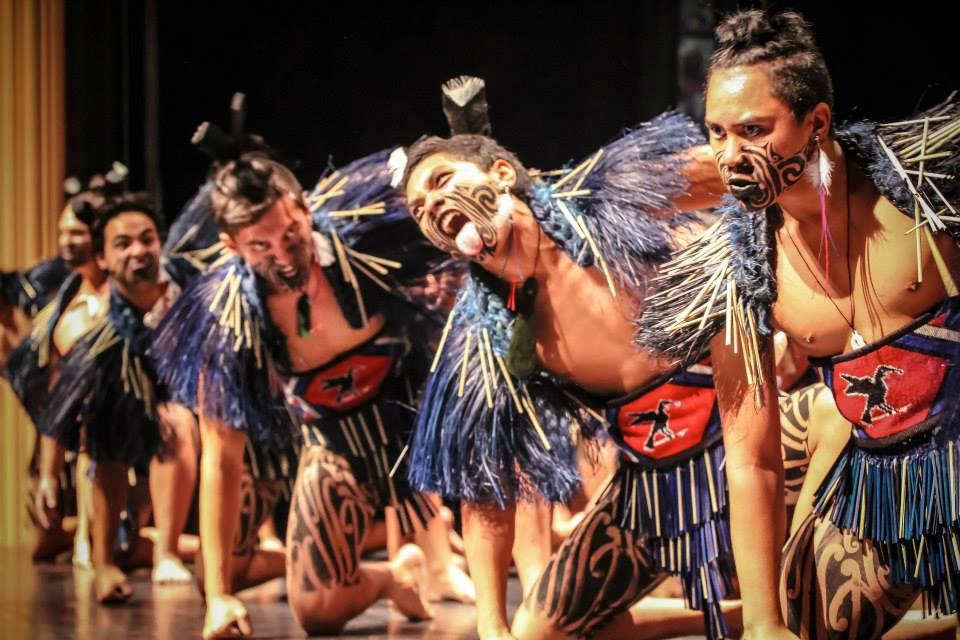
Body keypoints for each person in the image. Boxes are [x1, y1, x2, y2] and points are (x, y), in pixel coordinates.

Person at [638, 9, 960, 638]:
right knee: (810, 623)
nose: (730, 157)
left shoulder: (923, 199)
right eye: (717, 133)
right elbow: (751, 456)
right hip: (881, 465)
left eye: (754, 130)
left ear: (817, 123)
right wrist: (760, 622)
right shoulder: (740, 267)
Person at [399, 98, 754, 638]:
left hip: (746, 434)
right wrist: (493, 628)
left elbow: (740, 170)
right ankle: (731, 617)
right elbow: (486, 495)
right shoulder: (481, 338)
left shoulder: (608, 193)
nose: (433, 205)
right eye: (421, 209)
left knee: (822, 601)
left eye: (442, 180)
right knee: (539, 632)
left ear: (501, 175)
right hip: (651, 477)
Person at [152, 150, 467, 639]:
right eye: (261, 246)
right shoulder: (228, 319)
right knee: (318, 611)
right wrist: (220, 597)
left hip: (412, 414)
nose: (282, 254)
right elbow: (221, 458)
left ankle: (445, 560)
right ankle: (391, 576)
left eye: (291, 234)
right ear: (232, 246)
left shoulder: (362, 241)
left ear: (303, 207)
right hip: (331, 439)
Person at [38, 193, 200, 602]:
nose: (138, 252)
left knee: (175, 420)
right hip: (120, 422)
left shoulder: (188, 284)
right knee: (105, 433)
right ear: (104, 260)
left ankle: (167, 551)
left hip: (186, 411)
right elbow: (61, 405)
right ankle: (104, 561)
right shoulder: (95, 325)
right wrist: (46, 475)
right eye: (123, 244)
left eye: (147, 240)